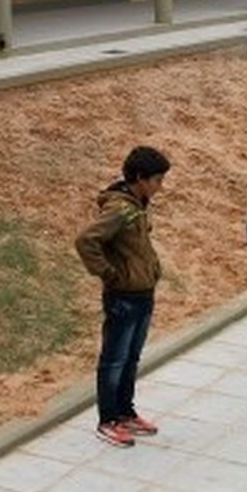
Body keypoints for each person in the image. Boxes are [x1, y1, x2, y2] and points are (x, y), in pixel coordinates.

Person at [74, 145, 170, 448]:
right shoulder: (119, 209)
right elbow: (86, 240)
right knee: (114, 360)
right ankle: (108, 420)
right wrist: (109, 273)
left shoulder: (139, 203)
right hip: (123, 297)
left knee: (131, 357)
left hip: (143, 293)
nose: (160, 187)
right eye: (157, 180)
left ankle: (125, 412)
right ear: (140, 178)